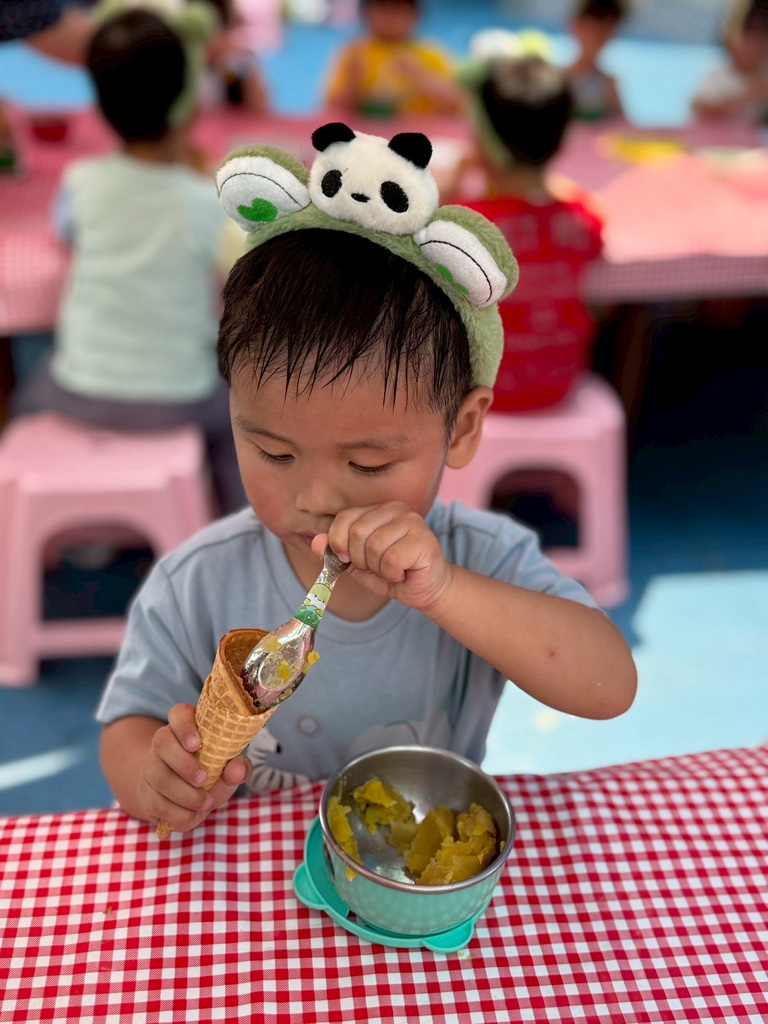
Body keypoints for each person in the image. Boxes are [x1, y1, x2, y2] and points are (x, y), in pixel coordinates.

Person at [95, 120, 637, 832]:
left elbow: (608, 685)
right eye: (274, 452)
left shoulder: (481, 561)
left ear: (461, 429)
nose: (317, 498)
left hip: (416, 863)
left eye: (368, 464)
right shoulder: (197, 583)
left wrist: (445, 591)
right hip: (253, 875)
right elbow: (128, 725)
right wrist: (152, 776)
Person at [12, 7, 246, 514]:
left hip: (79, 391)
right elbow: (238, 268)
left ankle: (57, 519)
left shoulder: (81, 182)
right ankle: (232, 520)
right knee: (241, 415)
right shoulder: (207, 201)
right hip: (180, 397)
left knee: (29, 382)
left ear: (98, 104)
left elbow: (65, 231)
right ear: (187, 100)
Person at [448, 54, 603, 411]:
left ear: (483, 142)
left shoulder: (465, 223)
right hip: (560, 385)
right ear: (561, 142)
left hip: (477, 391)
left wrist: (455, 183)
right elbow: (589, 223)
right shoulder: (581, 218)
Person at [323, 0, 464, 117]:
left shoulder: (430, 53)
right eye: (382, 9)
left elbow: (458, 104)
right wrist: (353, 80)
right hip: (367, 135)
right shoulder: (354, 52)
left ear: (415, 15)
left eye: (398, 10)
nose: (390, 18)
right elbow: (332, 108)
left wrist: (419, 76)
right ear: (366, 14)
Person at [691, 0, 768, 122]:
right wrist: (750, 94)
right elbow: (699, 106)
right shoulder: (720, 75)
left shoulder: (763, 77)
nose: (755, 53)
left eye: (761, 47)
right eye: (751, 47)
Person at [565, 0, 626, 121]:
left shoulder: (609, 85)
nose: (599, 35)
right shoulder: (555, 80)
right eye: (594, 28)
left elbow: (621, 127)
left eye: (606, 29)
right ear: (576, 25)